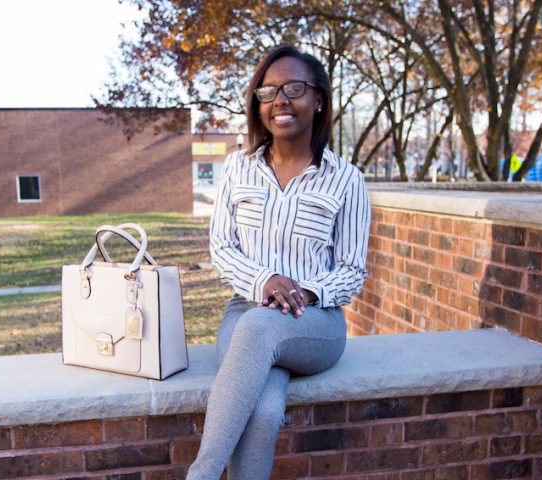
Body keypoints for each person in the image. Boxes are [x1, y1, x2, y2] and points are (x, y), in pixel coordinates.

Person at [186, 45, 371, 480]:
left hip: (315, 323)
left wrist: (304, 292)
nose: (280, 100)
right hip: (244, 310)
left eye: (294, 88)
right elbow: (222, 247)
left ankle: (201, 475)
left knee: (260, 327)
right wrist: (265, 279)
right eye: (268, 91)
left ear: (319, 98)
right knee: (265, 412)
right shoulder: (237, 168)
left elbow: (351, 270)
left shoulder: (347, 179)